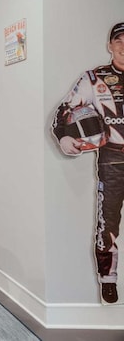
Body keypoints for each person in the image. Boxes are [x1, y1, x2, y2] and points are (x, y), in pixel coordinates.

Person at [51, 22, 124, 304]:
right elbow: (64, 111)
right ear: (110, 45)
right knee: (108, 224)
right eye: (118, 39)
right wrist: (63, 137)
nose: (123, 44)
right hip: (113, 158)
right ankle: (108, 279)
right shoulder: (94, 78)